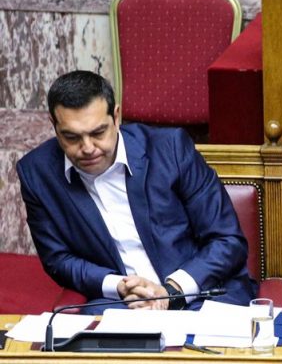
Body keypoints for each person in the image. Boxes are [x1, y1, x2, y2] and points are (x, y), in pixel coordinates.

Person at [16, 70, 255, 314]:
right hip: (121, 305)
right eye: (71, 137)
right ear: (54, 125)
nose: (87, 148)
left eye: (98, 133)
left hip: (200, 296)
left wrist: (171, 291)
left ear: (116, 116)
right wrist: (119, 286)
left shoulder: (170, 149)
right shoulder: (37, 173)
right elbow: (59, 259)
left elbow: (227, 240)